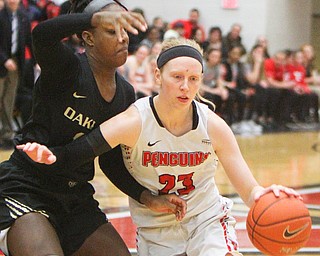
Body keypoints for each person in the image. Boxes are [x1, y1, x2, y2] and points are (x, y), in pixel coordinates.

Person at [19, 38, 301, 256]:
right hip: (155, 229)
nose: (185, 87)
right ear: (157, 76)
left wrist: (264, 195)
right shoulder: (133, 121)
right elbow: (83, 149)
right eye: (177, 77)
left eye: (193, 79)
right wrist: (50, 155)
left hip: (207, 221)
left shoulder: (212, 125)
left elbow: (249, 189)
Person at [0, 1, 186, 256]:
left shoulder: (125, 94)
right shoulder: (66, 68)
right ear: (88, 36)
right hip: (28, 187)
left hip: (75, 197)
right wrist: (95, 18)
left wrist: (147, 196)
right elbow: (41, 35)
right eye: (112, 30)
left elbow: (111, 161)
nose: (122, 38)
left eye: (124, 30)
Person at [0, 0, 33, 148]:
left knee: (9, 99)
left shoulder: (23, 16)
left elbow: (28, 40)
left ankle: (7, 134)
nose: (13, 1)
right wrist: (4, 59)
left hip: (16, 63)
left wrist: (36, 60)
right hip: (3, 61)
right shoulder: (1, 16)